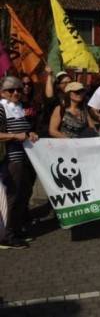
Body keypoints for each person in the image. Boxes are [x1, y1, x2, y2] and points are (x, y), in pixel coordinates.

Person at [0, 76, 39, 249]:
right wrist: (15, 136)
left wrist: (30, 133)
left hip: (24, 157)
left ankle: (15, 230)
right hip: (10, 159)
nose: (16, 92)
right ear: (2, 93)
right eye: (11, 90)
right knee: (13, 196)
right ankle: (6, 236)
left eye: (18, 89)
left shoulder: (19, 107)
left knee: (24, 193)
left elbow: (24, 130)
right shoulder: (1, 108)